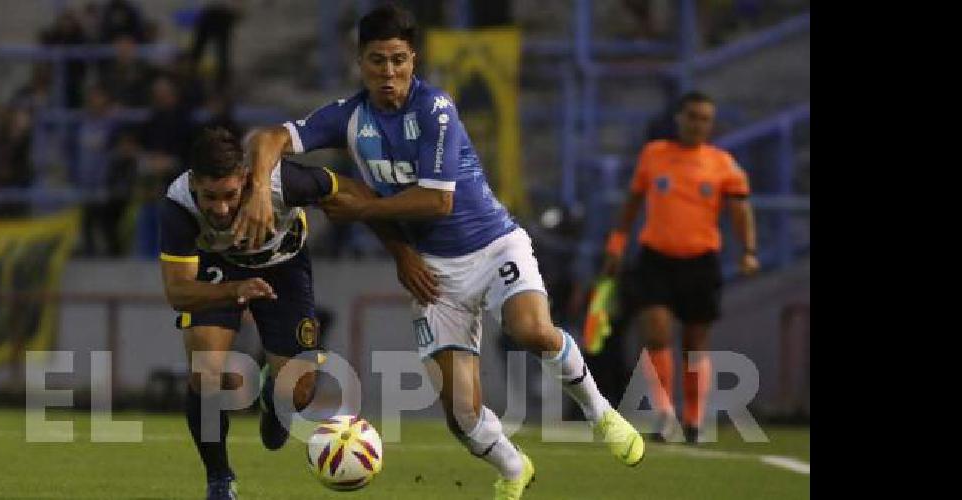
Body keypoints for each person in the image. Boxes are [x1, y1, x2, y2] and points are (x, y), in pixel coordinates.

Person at [240, 5, 644, 499]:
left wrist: (361, 210)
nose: (388, 73)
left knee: (530, 329)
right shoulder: (348, 117)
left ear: (414, 60)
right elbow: (269, 138)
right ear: (360, 63)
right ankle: (515, 469)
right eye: (376, 61)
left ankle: (601, 413)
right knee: (461, 413)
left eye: (398, 60)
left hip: (494, 245)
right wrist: (261, 186)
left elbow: (438, 200)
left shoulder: (436, 109)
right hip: (434, 273)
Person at [160, 126, 363, 499]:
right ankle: (219, 480)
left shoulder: (282, 183)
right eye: (210, 197)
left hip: (284, 267)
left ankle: (275, 398)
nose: (220, 208)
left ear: (246, 179)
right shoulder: (178, 206)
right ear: (192, 183)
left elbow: (348, 190)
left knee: (300, 392)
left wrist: (373, 225)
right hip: (218, 267)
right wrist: (235, 290)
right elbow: (178, 292)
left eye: (230, 195)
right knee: (204, 370)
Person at [601, 90, 759, 444]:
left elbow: (740, 210)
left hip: (700, 262)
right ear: (679, 119)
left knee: (695, 342)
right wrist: (616, 244)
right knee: (655, 331)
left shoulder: (722, 164)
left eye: (704, 119)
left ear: (711, 124)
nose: (696, 124)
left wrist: (748, 250)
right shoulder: (654, 156)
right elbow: (632, 203)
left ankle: (694, 420)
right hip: (656, 258)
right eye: (691, 117)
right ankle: (664, 417)